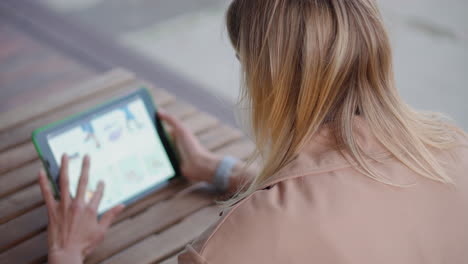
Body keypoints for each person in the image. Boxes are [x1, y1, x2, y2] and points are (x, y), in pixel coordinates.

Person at [38, 0, 468, 263]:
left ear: (269, 83)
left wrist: (68, 252)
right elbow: (354, 199)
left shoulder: (241, 239)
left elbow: (301, 219)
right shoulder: (451, 147)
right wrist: (217, 169)